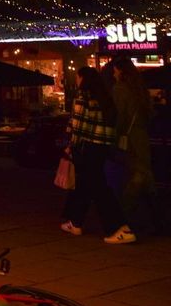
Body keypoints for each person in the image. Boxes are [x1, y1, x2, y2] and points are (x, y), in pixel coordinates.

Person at [61, 67, 134, 244]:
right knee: (86, 184)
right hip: (102, 146)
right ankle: (75, 222)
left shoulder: (83, 96)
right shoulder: (104, 97)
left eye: (77, 77)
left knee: (98, 187)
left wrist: (71, 146)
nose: (76, 81)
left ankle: (118, 227)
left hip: (86, 147)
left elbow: (78, 125)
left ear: (82, 79)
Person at [109, 57, 161, 235]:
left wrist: (114, 138)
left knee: (136, 179)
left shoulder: (120, 89)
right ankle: (157, 221)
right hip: (141, 138)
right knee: (145, 177)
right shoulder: (140, 89)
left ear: (121, 71)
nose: (114, 74)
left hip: (130, 140)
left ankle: (123, 220)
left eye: (115, 71)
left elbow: (119, 117)